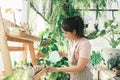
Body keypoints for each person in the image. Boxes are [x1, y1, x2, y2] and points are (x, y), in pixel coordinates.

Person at [46, 16, 93, 80]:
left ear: (74, 32)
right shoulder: (73, 42)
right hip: (75, 77)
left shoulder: (84, 43)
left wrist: (58, 69)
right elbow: (76, 56)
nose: (64, 35)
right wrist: (63, 54)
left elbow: (80, 68)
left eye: (66, 33)